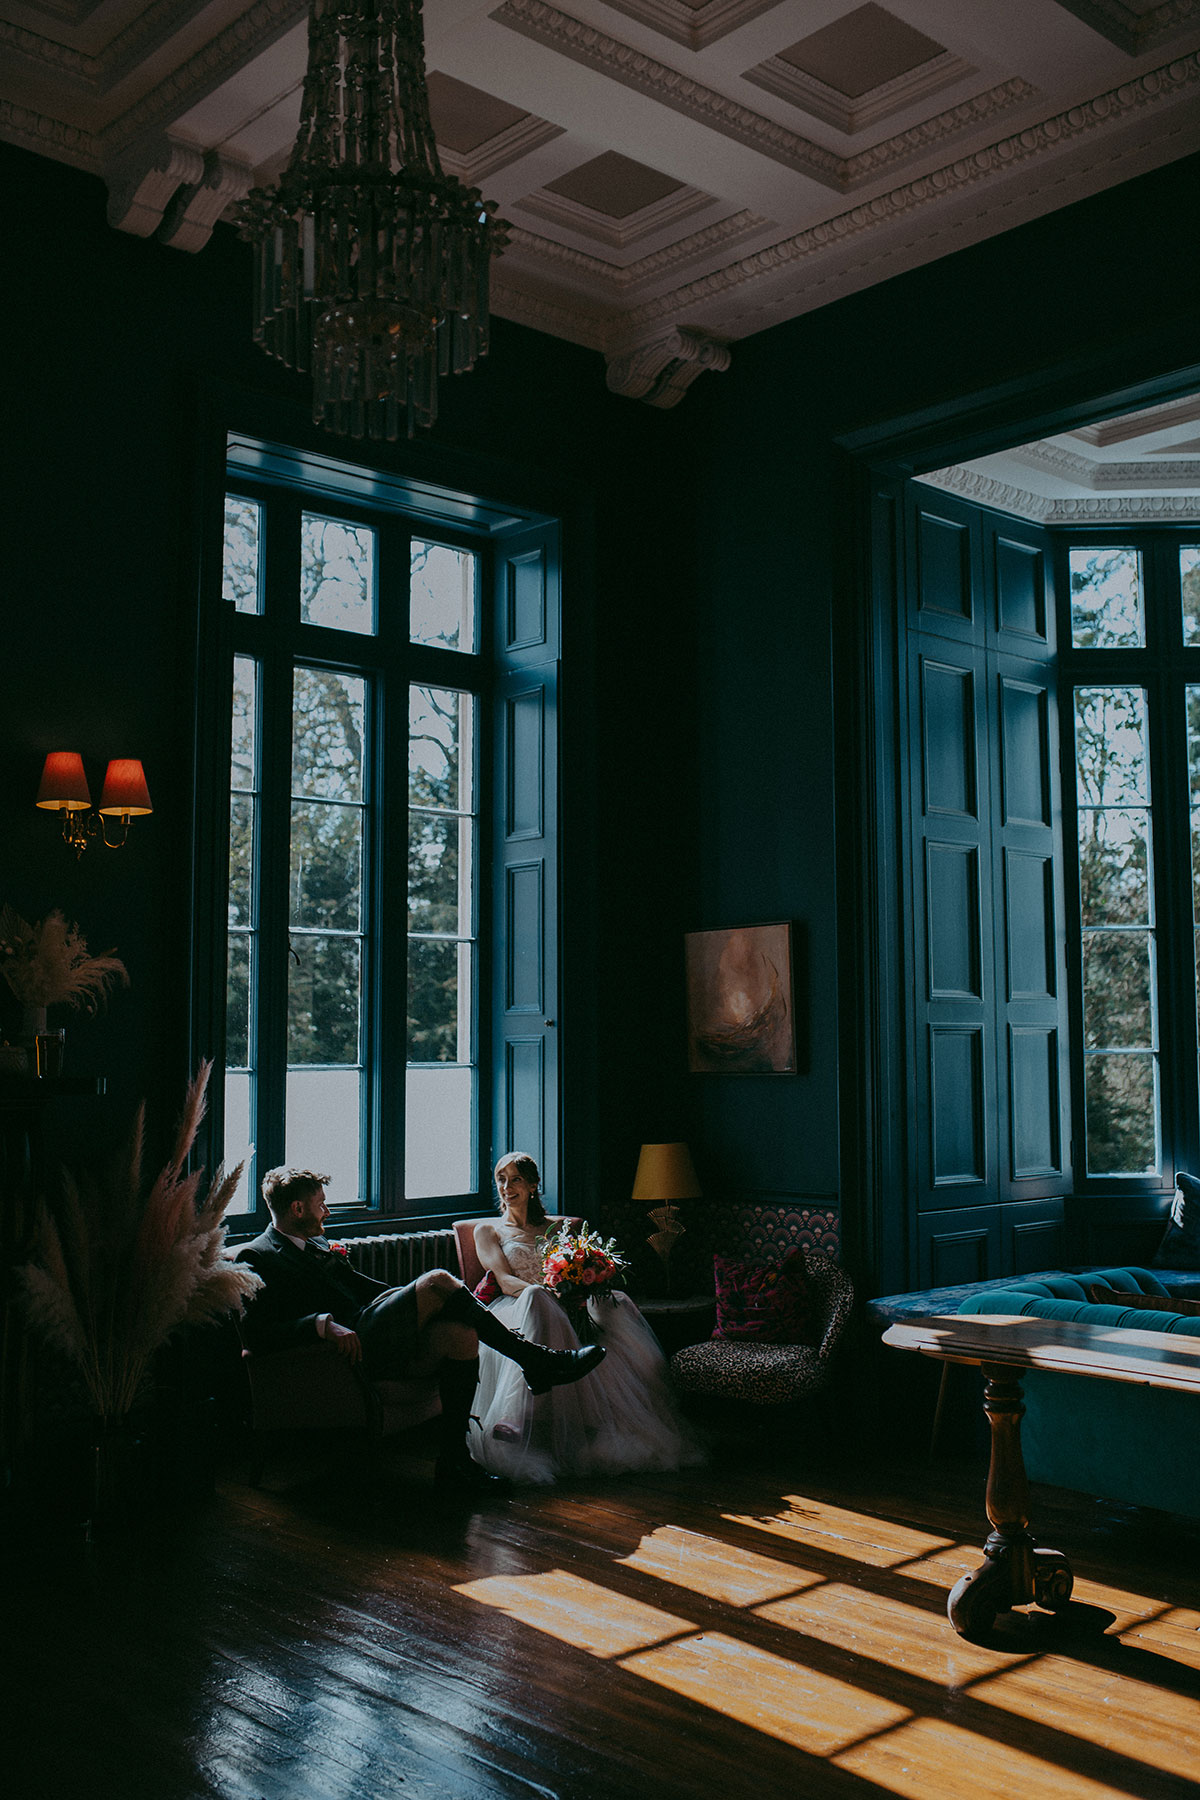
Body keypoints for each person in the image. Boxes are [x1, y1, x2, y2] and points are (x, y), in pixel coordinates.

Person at [236, 1166, 605, 1495]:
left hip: (371, 1325)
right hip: (347, 1348)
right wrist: (320, 1325)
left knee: (459, 1335)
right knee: (439, 1280)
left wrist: (411, 1300)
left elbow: (364, 1288)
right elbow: (255, 1334)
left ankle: (454, 1466)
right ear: (297, 1209)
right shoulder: (256, 1256)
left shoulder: (316, 1243)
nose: (327, 1212)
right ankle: (535, 1360)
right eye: (321, 1205)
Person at [469, 1152, 703, 1484]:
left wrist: (581, 1288)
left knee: (617, 1301)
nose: (507, 1187)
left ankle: (621, 1414)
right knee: (536, 1297)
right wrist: (549, 1294)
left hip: (565, 1304)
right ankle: (516, 1414)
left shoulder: (558, 1229)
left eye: (516, 1179)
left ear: (533, 1185)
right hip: (516, 1307)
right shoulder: (487, 1231)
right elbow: (504, 1280)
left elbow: (579, 1272)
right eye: (501, 1179)